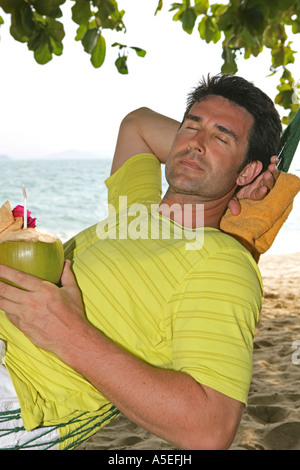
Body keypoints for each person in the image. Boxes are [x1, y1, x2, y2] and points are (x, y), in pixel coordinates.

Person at [0, 74, 283, 450]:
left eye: (221, 137)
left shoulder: (223, 262)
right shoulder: (135, 209)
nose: (195, 143)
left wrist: (65, 332)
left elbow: (209, 430)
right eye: (190, 126)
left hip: (18, 384)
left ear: (248, 170)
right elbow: (137, 123)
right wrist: (222, 160)